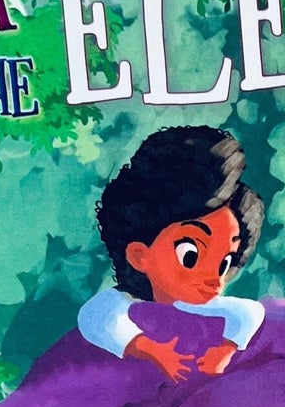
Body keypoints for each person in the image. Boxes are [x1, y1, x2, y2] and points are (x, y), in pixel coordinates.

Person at [77, 126, 265, 381]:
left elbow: (249, 313)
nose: (215, 279)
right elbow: (95, 317)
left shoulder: (206, 306)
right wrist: (150, 349)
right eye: (190, 256)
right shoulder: (125, 302)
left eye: (224, 262)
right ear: (139, 256)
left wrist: (227, 349)